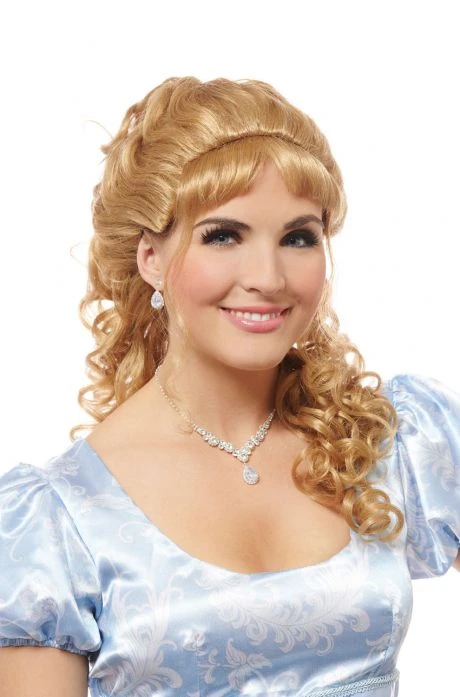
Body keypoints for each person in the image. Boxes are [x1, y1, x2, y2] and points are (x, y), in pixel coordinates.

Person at [0, 76, 459, 697]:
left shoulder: (390, 442)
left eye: (298, 238)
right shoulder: (56, 519)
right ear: (151, 258)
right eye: (223, 236)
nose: (268, 277)